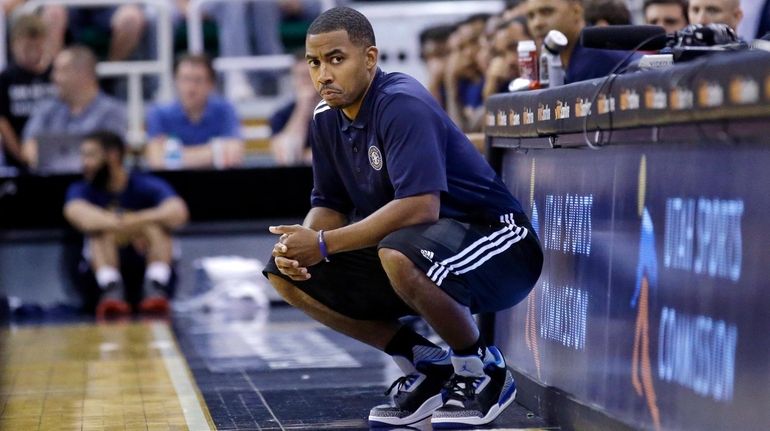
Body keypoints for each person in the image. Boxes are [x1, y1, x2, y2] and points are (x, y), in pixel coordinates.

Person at [265, 7, 543, 428]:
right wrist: (301, 244)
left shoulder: (401, 103)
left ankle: (479, 368)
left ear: (370, 59)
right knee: (284, 273)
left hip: (500, 245)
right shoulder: (324, 118)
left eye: (336, 59)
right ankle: (426, 362)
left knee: (398, 252)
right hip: (420, 250)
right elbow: (330, 204)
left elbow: (420, 206)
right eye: (314, 62)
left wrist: (322, 244)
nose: (323, 74)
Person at [63, 131, 188, 319]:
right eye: (83, 156)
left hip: (142, 267)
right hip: (95, 280)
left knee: (157, 227)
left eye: (90, 155)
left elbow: (178, 212)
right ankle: (111, 288)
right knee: (101, 230)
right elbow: (78, 215)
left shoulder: (146, 184)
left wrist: (139, 222)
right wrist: (126, 224)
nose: (84, 163)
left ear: (112, 155)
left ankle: (155, 285)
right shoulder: (81, 188)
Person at [21, 45, 127, 170]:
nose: (53, 78)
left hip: (96, 184)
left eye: (60, 71)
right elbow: (28, 146)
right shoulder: (47, 109)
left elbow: (113, 153)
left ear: (83, 73)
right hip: (50, 182)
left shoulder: (111, 111)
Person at [145, 53, 244, 170]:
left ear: (211, 84)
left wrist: (174, 155)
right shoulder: (159, 113)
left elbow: (233, 156)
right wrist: (216, 151)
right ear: (175, 81)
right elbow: (156, 160)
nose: (191, 88)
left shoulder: (225, 110)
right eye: (185, 79)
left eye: (198, 80)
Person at [525, 0, 638, 84]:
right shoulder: (568, 60)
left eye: (546, 12)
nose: (537, 23)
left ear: (576, 12)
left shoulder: (595, 57)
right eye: (530, 16)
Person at [0, 14, 57, 171]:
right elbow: (3, 122)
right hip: (17, 158)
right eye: (27, 48)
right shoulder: (6, 78)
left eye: (37, 47)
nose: (32, 53)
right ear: (14, 45)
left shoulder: (55, 74)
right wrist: (21, 156)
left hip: (55, 157)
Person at [269, 55, 320, 166]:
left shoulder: (338, 111)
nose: (306, 81)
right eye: (301, 76)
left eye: (309, 75)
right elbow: (285, 156)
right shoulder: (281, 115)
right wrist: (302, 108)